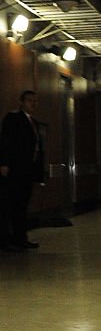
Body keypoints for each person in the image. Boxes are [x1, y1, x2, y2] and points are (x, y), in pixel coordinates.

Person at [0, 89, 45, 251]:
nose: (33, 104)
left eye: (35, 101)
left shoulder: (33, 122)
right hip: (14, 170)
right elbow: (6, 141)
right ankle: (6, 241)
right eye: (29, 101)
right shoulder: (13, 118)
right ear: (21, 102)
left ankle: (21, 238)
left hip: (27, 171)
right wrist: (4, 164)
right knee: (10, 205)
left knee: (22, 205)